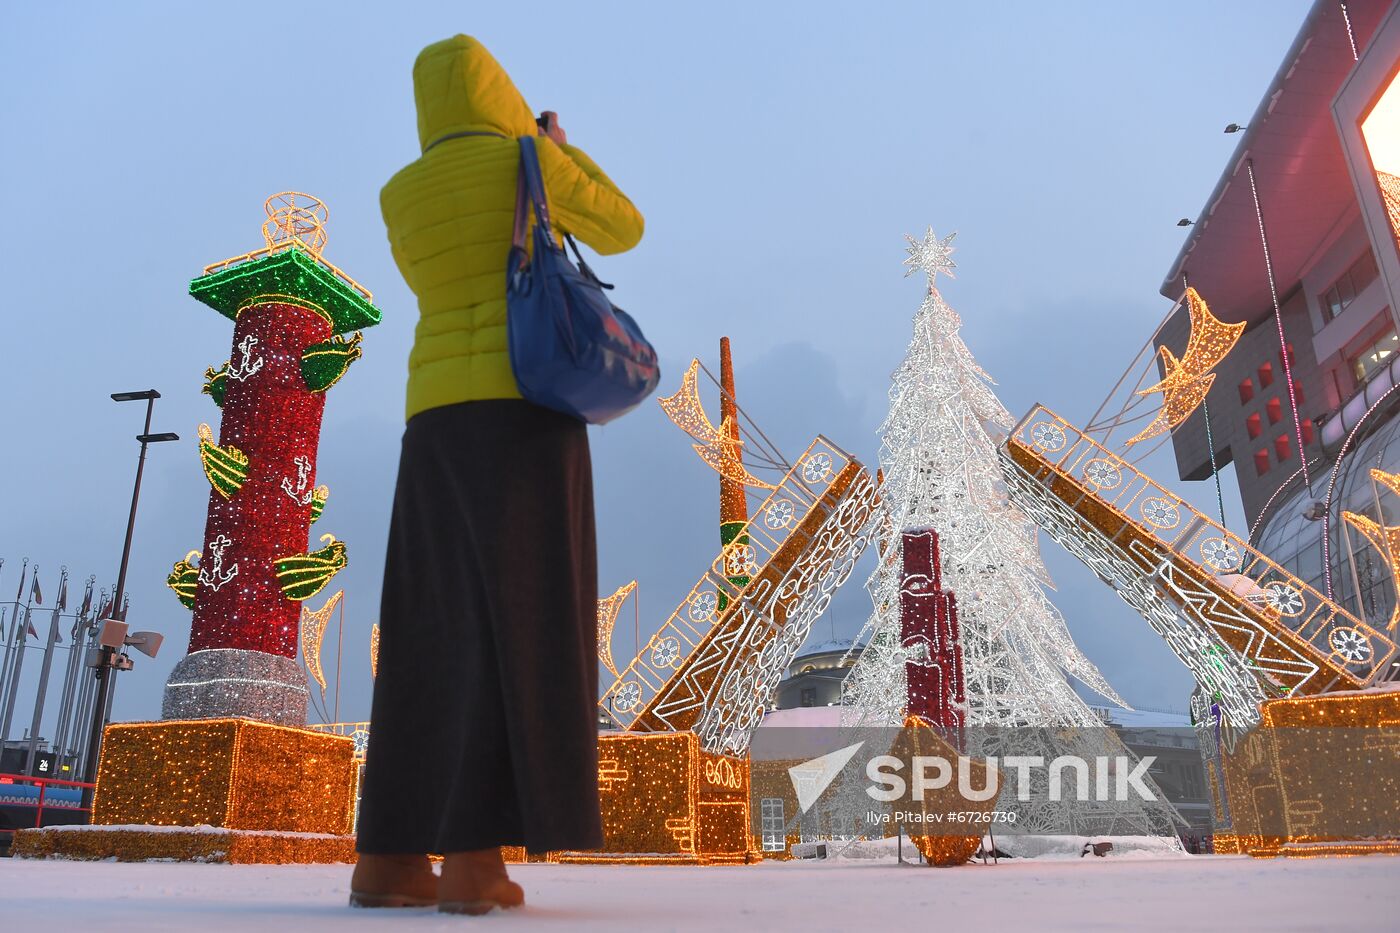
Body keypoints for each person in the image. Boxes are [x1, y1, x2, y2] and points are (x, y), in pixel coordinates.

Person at [350, 34, 644, 915]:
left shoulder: (400, 193)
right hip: (524, 413)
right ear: (499, 93)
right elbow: (625, 225)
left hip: (431, 420)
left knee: (428, 627)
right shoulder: (528, 164)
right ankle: (476, 860)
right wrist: (554, 150)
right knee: (519, 627)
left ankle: (390, 855)